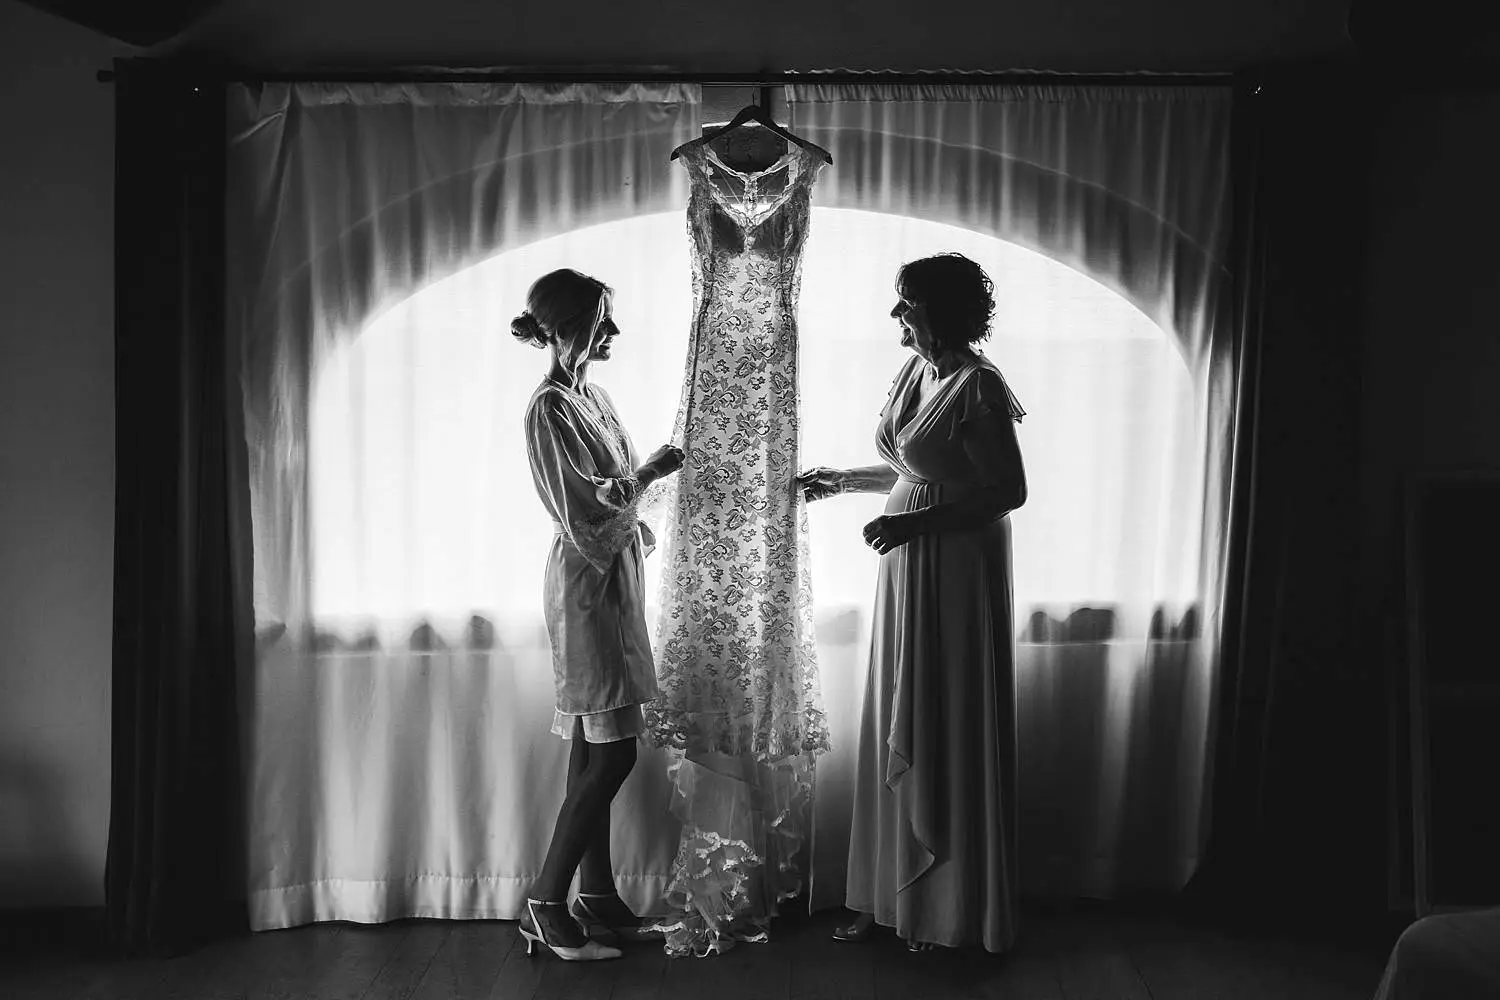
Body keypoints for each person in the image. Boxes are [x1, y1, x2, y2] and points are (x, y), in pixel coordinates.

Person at [795, 252, 1028, 953]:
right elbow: (915, 471)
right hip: (907, 565)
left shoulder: (980, 385)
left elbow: (1006, 491)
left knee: (941, 716)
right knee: (900, 708)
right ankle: (889, 894)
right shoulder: (915, 372)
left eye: (908, 302)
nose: (897, 314)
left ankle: (945, 908)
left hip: (953, 568)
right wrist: (841, 481)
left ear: (942, 308)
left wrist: (911, 525)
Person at [511, 268, 685, 961]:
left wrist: (641, 506)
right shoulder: (549, 408)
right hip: (584, 588)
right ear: (560, 325)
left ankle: (598, 897)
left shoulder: (596, 398)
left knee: (592, 745)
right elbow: (586, 510)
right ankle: (544, 903)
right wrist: (649, 475)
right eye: (599, 317)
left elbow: (616, 506)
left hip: (612, 580)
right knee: (610, 750)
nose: (610, 330)